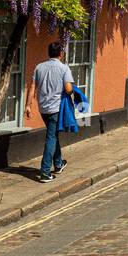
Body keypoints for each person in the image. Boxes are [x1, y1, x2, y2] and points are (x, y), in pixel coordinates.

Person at [32, 42, 74, 183]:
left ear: (49, 53)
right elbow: (68, 89)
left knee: (53, 135)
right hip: (55, 108)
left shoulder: (39, 67)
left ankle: (58, 164)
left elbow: (33, 87)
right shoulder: (64, 68)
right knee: (51, 137)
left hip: (42, 107)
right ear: (60, 54)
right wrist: (72, 90)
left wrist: (27, 105)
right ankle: (44, 172)